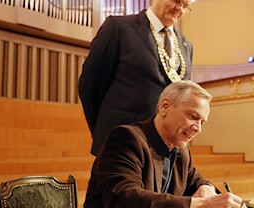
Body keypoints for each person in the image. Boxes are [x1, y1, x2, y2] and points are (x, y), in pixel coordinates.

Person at [64, 81, 243, 208]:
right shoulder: (127, 138)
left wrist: (206, 187)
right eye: (193, 116)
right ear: (165, 107)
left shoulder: (181, 151)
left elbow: (196, 180)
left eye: (202, 122)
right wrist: (204, 207)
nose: (198, 128)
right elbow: (124, 201)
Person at [79, 0, 193, 156]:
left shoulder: (186, 44)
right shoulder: (118, 28)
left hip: (164, 148)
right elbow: (89, 87)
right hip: (121, 143)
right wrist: (103, 132)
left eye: (186, 6)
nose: (179, 8)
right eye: (177, 0)